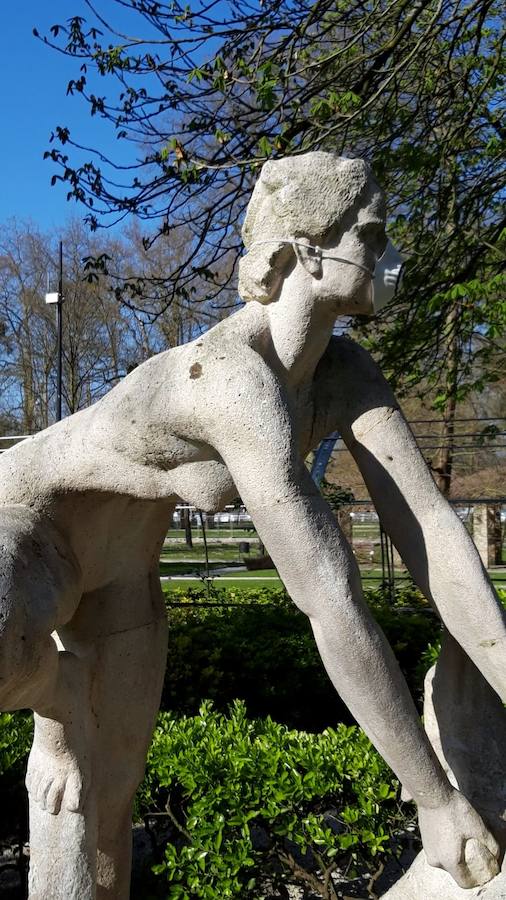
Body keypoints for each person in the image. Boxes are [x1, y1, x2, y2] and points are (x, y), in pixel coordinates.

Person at [0, 152, 504, 899]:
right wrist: (433, 799)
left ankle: (64, 705)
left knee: (106, 821)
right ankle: (54, 706)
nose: (391, 255)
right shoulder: (232, 382)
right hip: (26, 530)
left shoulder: (345, 374)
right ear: (307, 252)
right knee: (52, 771)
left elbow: (430, 528)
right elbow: (329, 599)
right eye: (371, 236)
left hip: (121, 577)